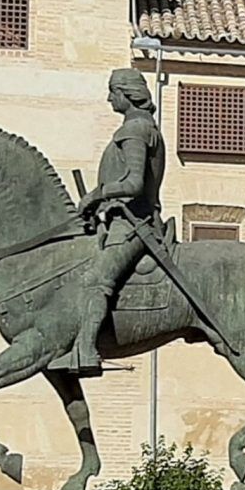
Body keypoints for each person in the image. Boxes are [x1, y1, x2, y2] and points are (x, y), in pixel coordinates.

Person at [59, 68, 167, 375]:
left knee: (95, 279)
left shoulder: (134, 131)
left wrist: (96, 195)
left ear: (127, 94)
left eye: (113, 92)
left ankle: (86, 350)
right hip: (121, 221)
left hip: (134, 224)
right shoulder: (141, 127)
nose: (109, 98)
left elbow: (133, 184)